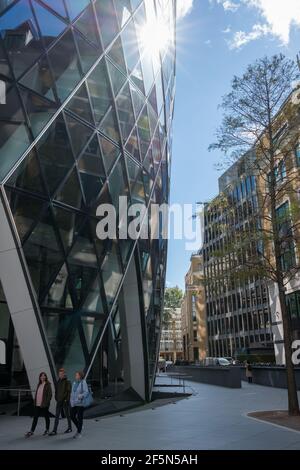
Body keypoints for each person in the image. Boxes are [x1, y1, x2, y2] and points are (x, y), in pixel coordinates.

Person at [25, 372, 52, 437]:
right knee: (35, 417)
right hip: (37, 404)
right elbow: (37, 393)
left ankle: (47, 429)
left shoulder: (48, 384)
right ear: (40, 377)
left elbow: (50, 395)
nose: (42, 377)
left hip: (44, 404)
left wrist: (46, 402)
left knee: (46, 417)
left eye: (44, 376)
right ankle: (32, 431)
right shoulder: (39, 384)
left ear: (45, 377)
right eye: (41, 376)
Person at [49, 368, 72, 436]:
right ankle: (54, 430)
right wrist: (56, 397)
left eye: (62, 374)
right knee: (57, 416)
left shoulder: (67, 381)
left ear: (64, 374)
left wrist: (66, 400)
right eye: (59, 374)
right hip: (59, 401)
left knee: (68, 415)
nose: (60, 375)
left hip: (65, 401)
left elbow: (69, 391)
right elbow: (56, 391)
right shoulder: (58, 381)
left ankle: (70, 428)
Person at [70, 371, 88, 439]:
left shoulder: (83, 382)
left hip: (80, 403)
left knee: (80, 418)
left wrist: (81, 395)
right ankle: (79, 426)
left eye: (76, 375)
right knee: (72, 415)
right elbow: (72, 393)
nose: (75, 376)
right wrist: (71, 401)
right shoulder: (74, 383)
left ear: (80, 376)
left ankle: (79, 433)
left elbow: (86, 392)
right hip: (74, 403)